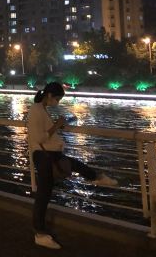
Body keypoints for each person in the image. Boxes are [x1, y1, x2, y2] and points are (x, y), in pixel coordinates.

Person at [27, 82, 117, 250]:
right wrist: (57, 125)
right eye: (57, 99)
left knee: (69, 169)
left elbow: (44, 132)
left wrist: (57, 124)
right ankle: (39, 234)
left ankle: (96, 177)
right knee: (43, 195)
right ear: (49, 95)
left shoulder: (41, 109)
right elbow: (39, 137)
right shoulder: (36, 110)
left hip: (49, 155)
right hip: (44, 156)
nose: (57, 102)